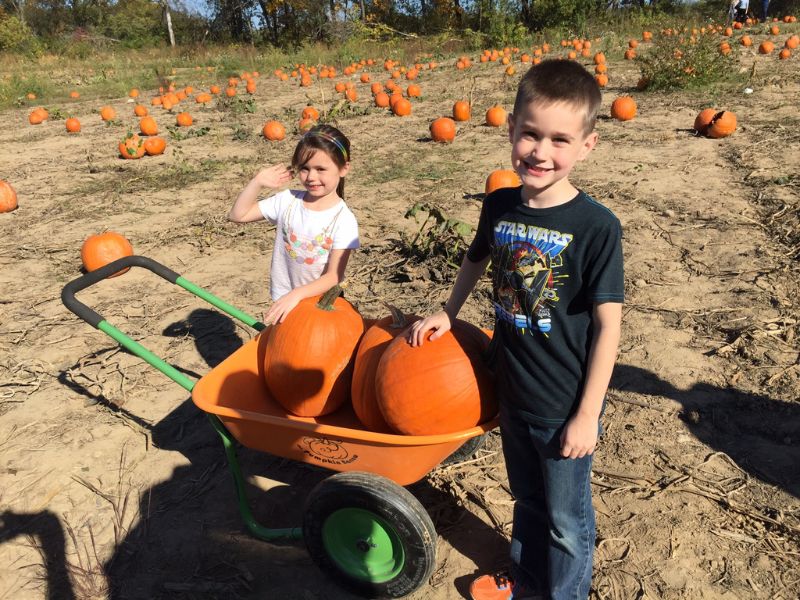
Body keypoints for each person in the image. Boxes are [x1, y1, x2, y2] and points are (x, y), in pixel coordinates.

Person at [408, 59, 624, 600]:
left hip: (561, 403)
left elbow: (608, 328)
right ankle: (526, 578)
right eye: (530, 134)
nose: (540, 152)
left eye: (559, 140)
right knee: (526, 499)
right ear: (511, 131)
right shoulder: (500, 203)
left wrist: (587, 415)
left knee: (567, 522)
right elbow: (476, 257)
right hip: (512, 388)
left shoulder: (596, 227)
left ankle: (565, 594)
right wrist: (449, 311)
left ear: (587, 146)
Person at [228, 124, 359, 324]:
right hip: (285, 299)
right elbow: (239, 215)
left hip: (320, 304)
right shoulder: (287, 201)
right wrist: (257, 182)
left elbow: (334, 276)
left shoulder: (343, 219)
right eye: (304, 169)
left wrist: (297, 294)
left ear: (344, 169)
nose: (311, 177)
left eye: (320, 169)